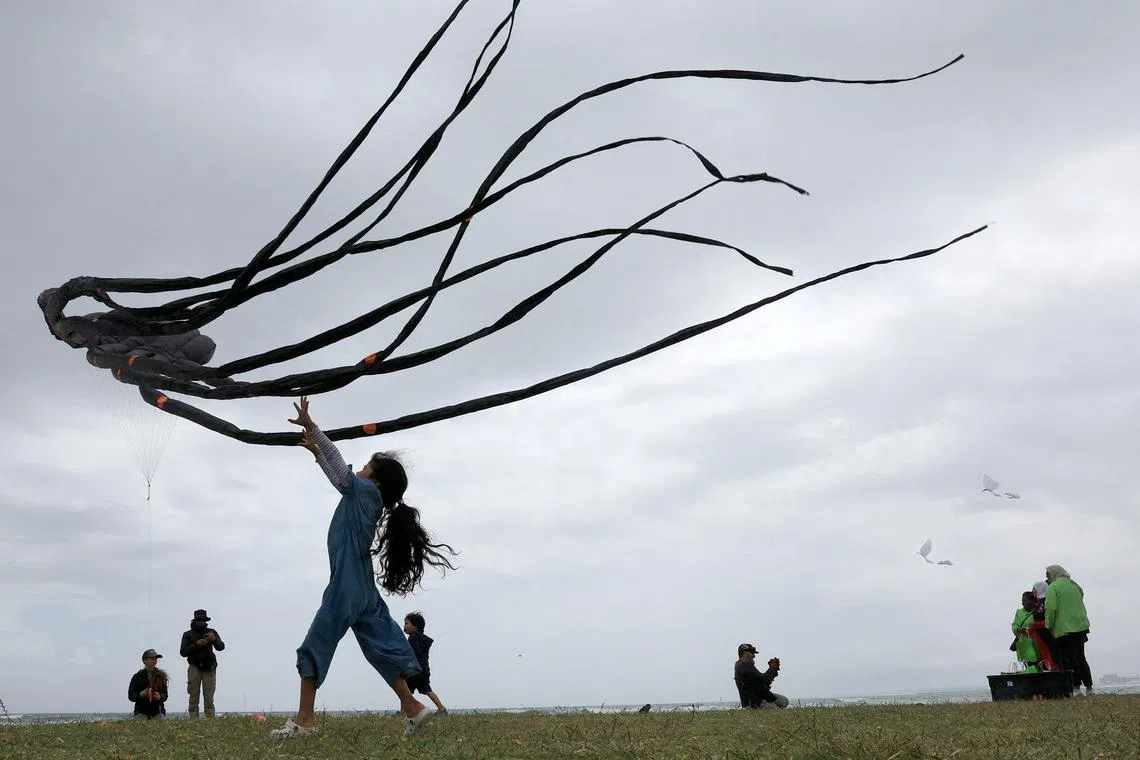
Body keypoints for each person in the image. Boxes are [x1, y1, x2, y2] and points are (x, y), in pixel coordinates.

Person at [269, 397, 458, 740]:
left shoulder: (365, 492)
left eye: (368, 465)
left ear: (376, 480)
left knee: (317, 643)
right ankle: (413, 707)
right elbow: (340, 479)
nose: (361, 469)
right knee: (380, 646)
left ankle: (305, 721)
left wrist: (313, 428)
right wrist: (317, 453)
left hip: (347, 583)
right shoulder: (367, 497)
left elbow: (341, 471)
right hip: (363, 588)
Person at [1044, 564, 1093, 695]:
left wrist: (1048, 625)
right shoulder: (1074, 585)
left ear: (1054, 574)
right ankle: (1089, 687)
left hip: (1063, 629)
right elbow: (1081, 597)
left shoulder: (1052, 587)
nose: (1047, 578)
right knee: (1080, 657)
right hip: (1080, 626)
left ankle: (1076, 688)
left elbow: (1051, 608)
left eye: (1047, 575)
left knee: (1067, 659)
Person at [179, 608, 226, 718]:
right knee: (193, 695)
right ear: (194, 621)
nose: (202, 623)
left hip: (210, 667)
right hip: (194, 666)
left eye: (204, 621)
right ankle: (193, 719)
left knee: (209, 696)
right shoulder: (188, 634)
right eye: (199, 620)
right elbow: (183, 652)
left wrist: (214, 640)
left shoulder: (212, 632)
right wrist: (197, 644)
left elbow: (221, 647)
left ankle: (210, 719)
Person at [403, 612, 447, 714]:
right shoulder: (422, 639)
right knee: (427, 690)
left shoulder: (413, 638)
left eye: (407, 623)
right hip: (424, 669)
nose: (404, 626)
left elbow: (412, 654)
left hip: (414, 670)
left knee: (404, 692)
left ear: (415, 626)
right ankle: (441, 708)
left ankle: (402, 713)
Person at [734, 644, 789, 709]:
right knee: (777, 711)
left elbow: (761, 681)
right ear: (745, 653)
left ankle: (770, 704)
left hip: (761, 697)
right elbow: (764, 680)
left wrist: (772, 669)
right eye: (752, 653)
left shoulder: (746, 665)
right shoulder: (743, 667)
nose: (754, 656)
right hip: (755, 703)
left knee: (785, 701)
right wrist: (773, 668)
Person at [128, 649, 169, 720]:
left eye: (155, 658)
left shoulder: (161, 676)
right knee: (140, 725)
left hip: (157, 712)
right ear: (144, 661)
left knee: (160, 724)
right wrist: (141, 694)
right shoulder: (137, 677)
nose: (154, 660)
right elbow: (131, 696)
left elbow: (165, 695)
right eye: (152, 658)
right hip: (141, 712)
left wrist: (160, 697)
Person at [1012, 591, 1042, 671]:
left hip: (1037, 643)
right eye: (1022, 601)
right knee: (1029, 667)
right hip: (1024, 644)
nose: (1023, 603)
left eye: (1025, 601)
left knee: (1040, 666)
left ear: (1033, 601)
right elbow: (1015, 625)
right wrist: (1018, 629)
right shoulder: (1019, 612)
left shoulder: (1038, 610)